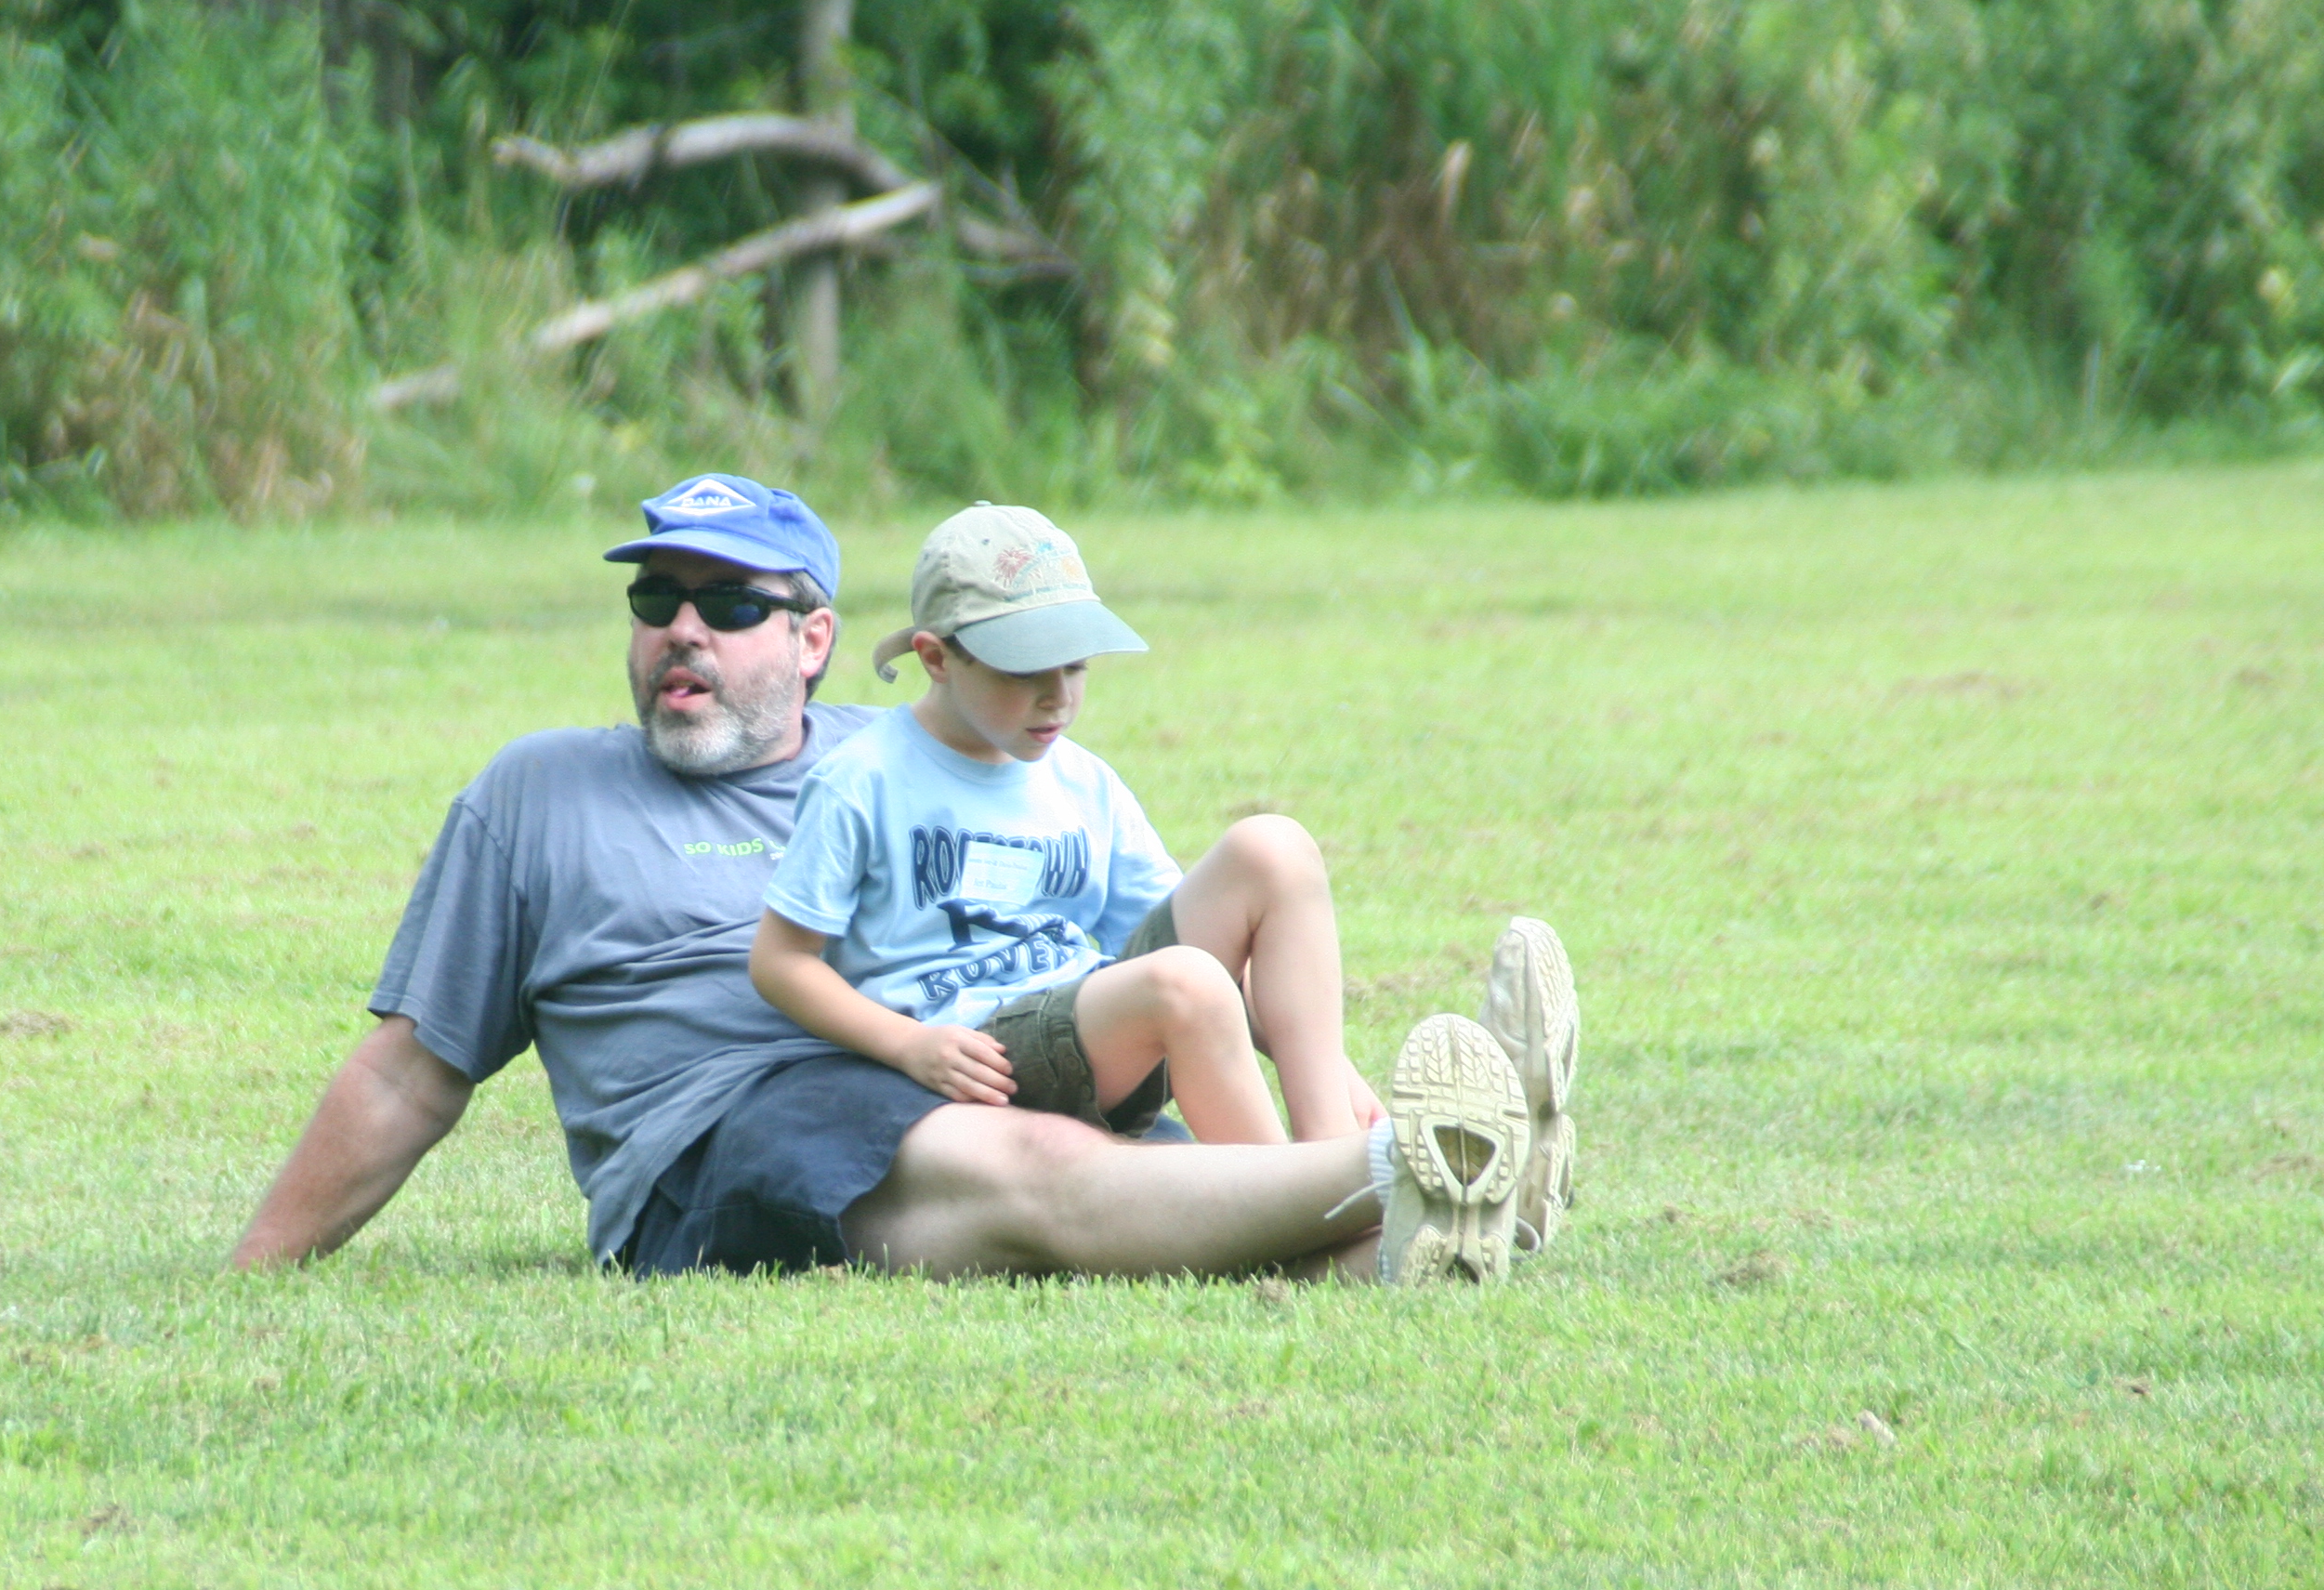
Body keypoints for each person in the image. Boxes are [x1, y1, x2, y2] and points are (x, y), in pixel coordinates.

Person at [230, 472, 1577, 1285]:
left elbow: (1173, 953)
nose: (684, 630)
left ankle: (1441, 1194)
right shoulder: (537, 795)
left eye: (731, 606)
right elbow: (408, 1076)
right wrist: (253, 1277)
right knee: (1038, 1165)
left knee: (1141, 1109)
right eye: (656, 602)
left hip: (1002, 1053)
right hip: (740, 1131)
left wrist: (1298, 1043)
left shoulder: (934, 750)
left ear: (815, 638)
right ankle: (1429, 1166)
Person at [748, 502, 1340, 1150]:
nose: (1058, 696)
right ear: (936, 658)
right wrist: (909, 1044)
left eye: (1075, 666)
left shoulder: (1084, 781)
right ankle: (1305, 1197)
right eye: (1025, 670)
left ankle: (1341, 1149)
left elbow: (1174, 935)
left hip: (1100, 1026)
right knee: (1187, 981)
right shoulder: (861, 780)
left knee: (1274, 848)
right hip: (980, 1057)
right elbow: (781, 962)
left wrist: (1321, 1059)